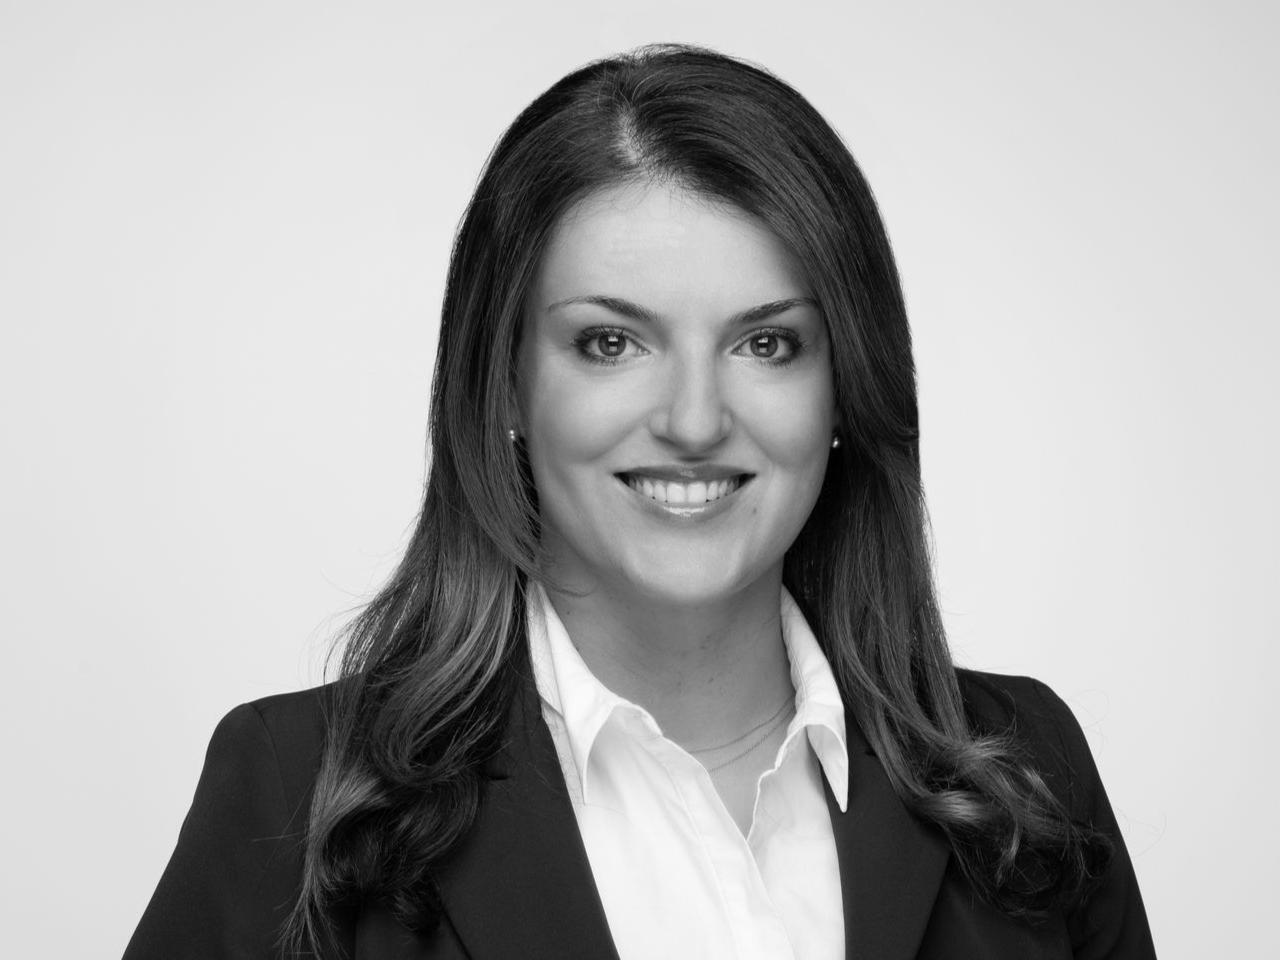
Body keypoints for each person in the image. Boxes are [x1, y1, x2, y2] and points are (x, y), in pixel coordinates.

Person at [124, 44, 1156, 960]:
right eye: (609, 343)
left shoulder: (1023, 771)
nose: (695, 420)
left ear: (844, 390)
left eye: (766, 343)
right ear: (507, 387)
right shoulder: (298, 792)